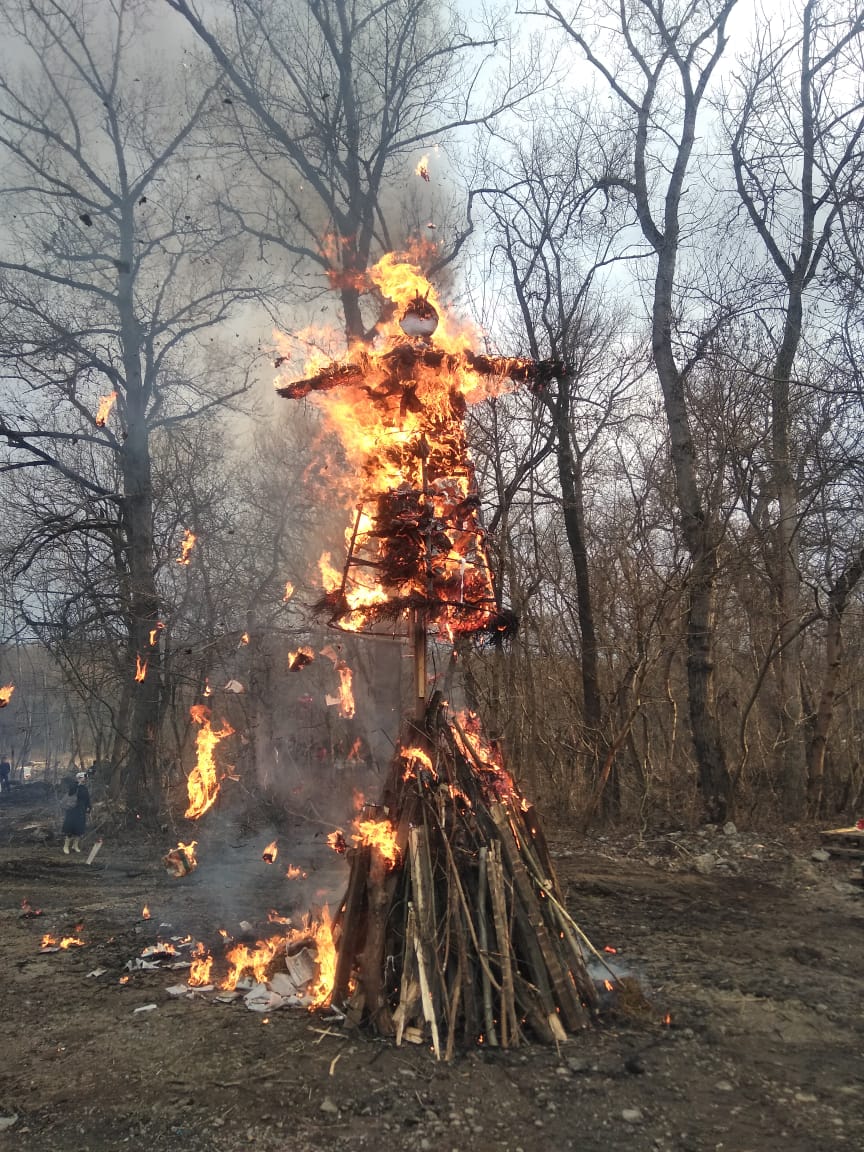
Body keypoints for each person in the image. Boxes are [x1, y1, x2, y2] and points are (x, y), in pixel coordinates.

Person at [61, 771, 91, 854]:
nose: (85, 779)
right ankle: (66, 846)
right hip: (72, 810)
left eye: (85, 778)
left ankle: (75, 845)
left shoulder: (84, 788)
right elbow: (71, 793)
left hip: (81, 811)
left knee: (79, 829)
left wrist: (89, 807)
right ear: (79, 778)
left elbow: (87, 799)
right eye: (84, 777)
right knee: (70, 829)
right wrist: (78, 783)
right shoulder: (73, 786)